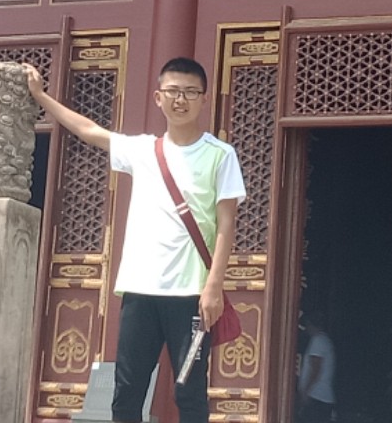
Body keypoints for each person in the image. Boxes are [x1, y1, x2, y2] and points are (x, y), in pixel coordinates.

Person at [24, 57, 246, 423]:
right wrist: (40, 96)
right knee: (127, 392)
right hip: (140, 290)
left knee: (189, 393)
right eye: (173, 91)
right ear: (158, 97)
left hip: (191, 294)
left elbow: (226, 224)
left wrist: (214, 287)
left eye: (190, 92)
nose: (181, 100)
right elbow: (89, 130)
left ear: (204, 100)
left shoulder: (220, 155)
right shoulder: (142, 150)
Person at [297, 311, 336, 423]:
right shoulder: (325, 340)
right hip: (320, 397)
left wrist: (305, 391)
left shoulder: (318, 341)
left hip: (317, 396)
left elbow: (315, 369)